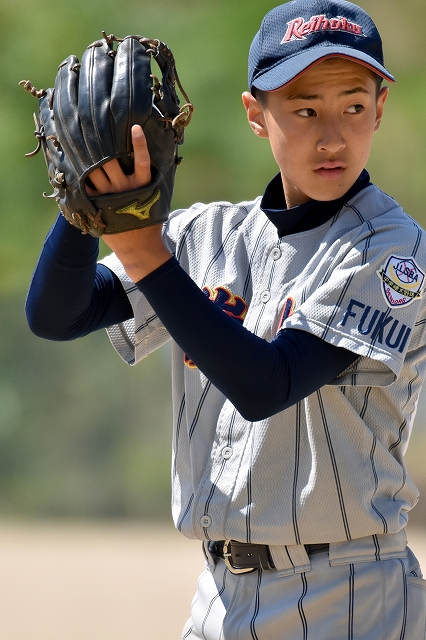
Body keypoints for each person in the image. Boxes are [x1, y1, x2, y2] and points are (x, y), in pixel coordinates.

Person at [26, 0, 426, 638]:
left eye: (353, 106)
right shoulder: (209, 235)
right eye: (305, 110)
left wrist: (144, 251)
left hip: (350, 595)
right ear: (256, 115)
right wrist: (87, 197)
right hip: (220, 596)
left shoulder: (389, 248)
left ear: (379, 108)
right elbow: (58, 313)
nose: (333, 136)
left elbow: (267, 384)